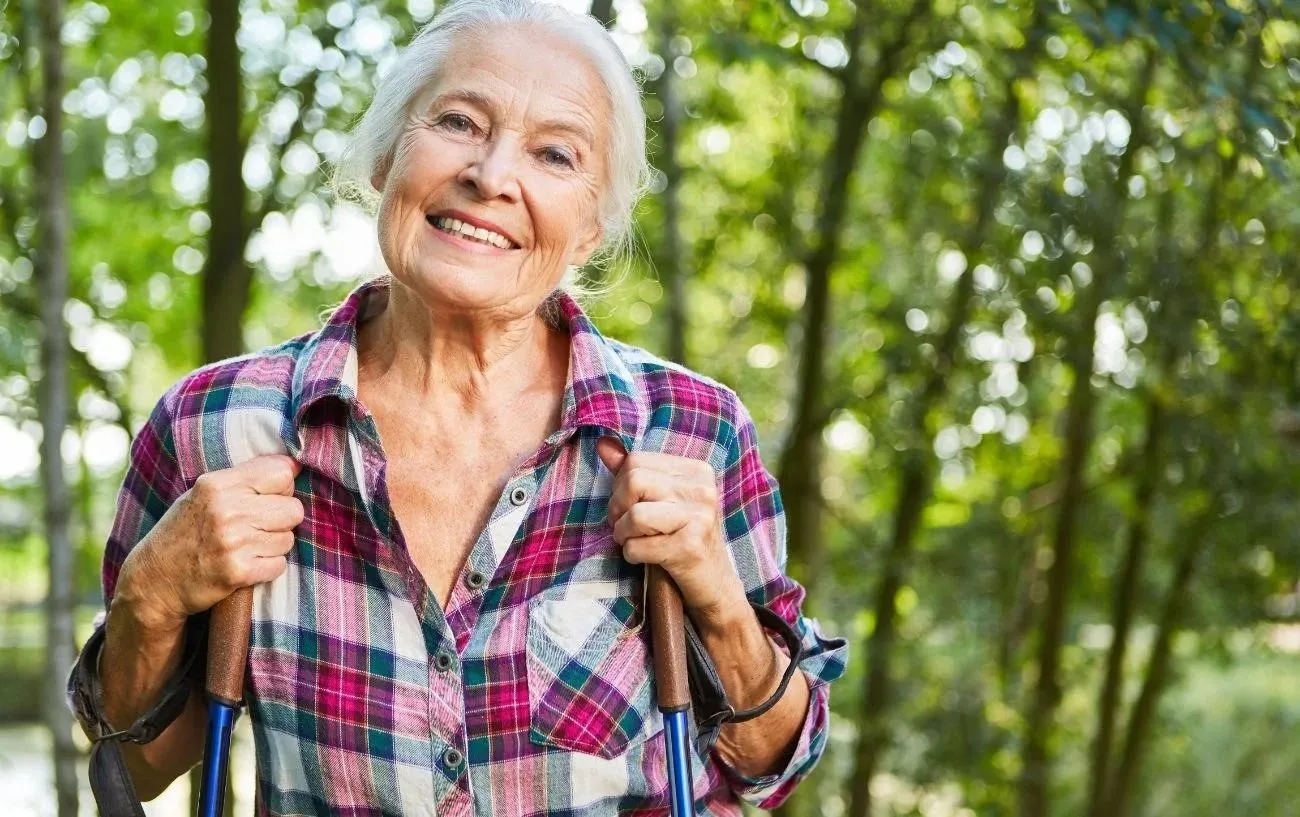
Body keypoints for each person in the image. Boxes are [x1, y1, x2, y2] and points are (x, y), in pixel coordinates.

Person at [67, 0, 847, 813]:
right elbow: (143, 765)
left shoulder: (690, 429)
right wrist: (148, 598)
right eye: (459, 121)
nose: (492, 175)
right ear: (385, 157)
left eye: (554, 154)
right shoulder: (217, 425)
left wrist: (719, 600)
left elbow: (773, 764)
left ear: (589, 230)